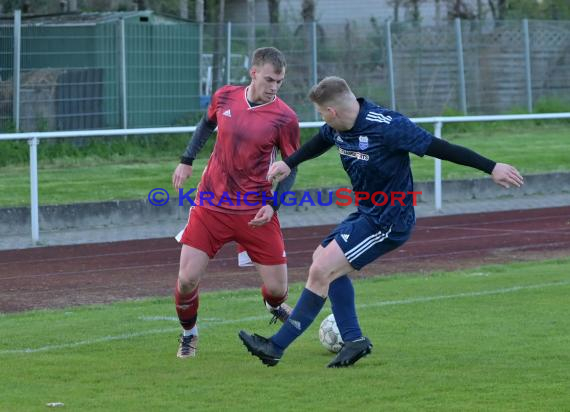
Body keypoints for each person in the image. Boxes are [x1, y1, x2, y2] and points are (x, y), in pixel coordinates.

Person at [238, 76, 524, 368]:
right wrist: (289, 163)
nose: (322, 120)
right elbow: (320, 141)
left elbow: (442, 147)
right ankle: (354, 340)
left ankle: (275, 347)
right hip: (367, 214)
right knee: (322, 260)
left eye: (323, 113)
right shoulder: (339, 127)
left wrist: (492, 167)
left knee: (321, 270)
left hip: (389, 220)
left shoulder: (389, 126)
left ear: (333, 111)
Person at [171, 47, 300, 359]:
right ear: (253, 73)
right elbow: (206, 124)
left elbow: (291, 165)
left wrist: (274, 205)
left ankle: (272, 304)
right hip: (211, 205)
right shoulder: (225, 97)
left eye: (279, 82)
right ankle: (189, 334)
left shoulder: (285, 117)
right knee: (186, 281)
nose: (274, 86)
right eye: (270, 79)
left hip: (256, 210)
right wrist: (186, 160)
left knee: (278, 290)